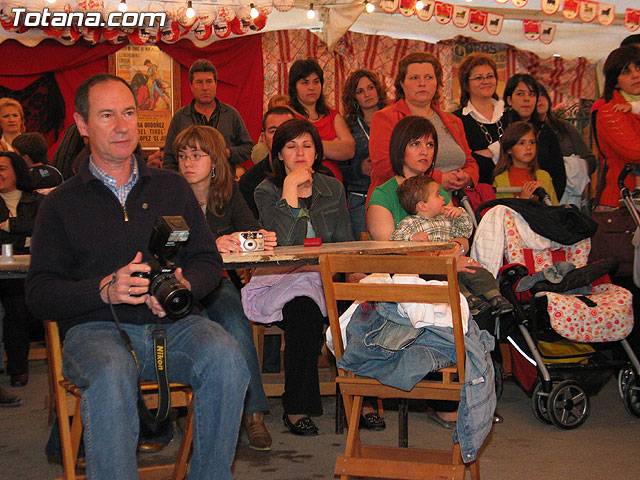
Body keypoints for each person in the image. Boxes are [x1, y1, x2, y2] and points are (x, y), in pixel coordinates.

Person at [25, 73, 249, 479]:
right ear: (82, 124)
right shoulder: (60, 204)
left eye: (128, 113)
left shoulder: (172, 188)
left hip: (174, 327)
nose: (121, 126)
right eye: (107, 115)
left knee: (226, 356)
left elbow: (207, 260)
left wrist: (186, 285)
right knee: (112, 372)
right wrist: (102, 290)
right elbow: (40, 293)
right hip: (95, 331)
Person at [366, 115, 487, 428]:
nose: (425, 151)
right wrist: (444, 261)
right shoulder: (383, 195)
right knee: (448, 302)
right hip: (406, 279)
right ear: (399, 149)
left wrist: (456, 252)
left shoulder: (436, 191)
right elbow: (390, 254)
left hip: (444, 269)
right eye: (416, 144)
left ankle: (477, 395)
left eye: (430, 144)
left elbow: (460, 235)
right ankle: (447, 400)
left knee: (485, 294)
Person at [174, 124, 276, 451]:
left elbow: (249, 230)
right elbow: (166, 247)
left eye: (196, 155)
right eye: (183, 156)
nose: (188, 163)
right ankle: (188, 411)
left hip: (217, 282)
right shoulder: (170, 193)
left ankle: (254, 413)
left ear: (214, 161)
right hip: (179, 284)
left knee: (235, 321)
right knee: (198, 327)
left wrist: (258, 238)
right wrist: (212, 242)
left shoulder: (229, 193)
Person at [250, 118, 352, 435]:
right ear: (278, 154)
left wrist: (354, 277)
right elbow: (283, 243)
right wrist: (289, 190)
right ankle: (297, 408)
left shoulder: (332, 187)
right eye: (291, 146)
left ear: (317, 152)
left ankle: (363, 401)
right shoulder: (266, 190)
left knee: (364, 307)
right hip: (282, 277)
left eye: (307, 146)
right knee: (303, 312)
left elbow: (345, 241)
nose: (300, 153)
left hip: (328, 274)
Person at [391, 174, 513, 316]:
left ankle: (495, 297)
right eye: (437, 195)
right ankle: (469, 300)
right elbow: (394, 240)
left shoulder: (446, 218)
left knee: (477, 272)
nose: (443, 198)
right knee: (447, 281)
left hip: (455, 261)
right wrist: (412, 238)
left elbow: (465, 231)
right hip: (435, 268)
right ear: (422, 205)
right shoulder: (410, 223)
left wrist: (460, 214)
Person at [368, 52, 479, 198]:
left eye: (428, 77)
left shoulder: (453, 120)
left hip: (452, 203)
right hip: (402, 202)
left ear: (437, 82)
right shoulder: (385, 118)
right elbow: (385, 168)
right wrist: (438, 179)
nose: (422, 83)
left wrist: (467, 177)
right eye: (414, 78)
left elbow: (470, 161)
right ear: (401, 83)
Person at [0, 152, 43, 388]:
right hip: (5, 270)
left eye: (2, 169)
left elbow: (42, 228)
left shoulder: (37, 201)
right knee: (15, 301)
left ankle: (18, 369)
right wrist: (24, 235)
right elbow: (30, 231)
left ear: (17, 170)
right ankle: (17, 368)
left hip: (33, 268)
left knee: (18, 302)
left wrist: (9, 225)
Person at [163, 59, 254, 170]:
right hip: (189, 179)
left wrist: (227, 153)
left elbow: (248, 148)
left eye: (209, 81)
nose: (205, 87)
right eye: (199, 82)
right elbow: (169, 158)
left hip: (224, 178)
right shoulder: (180, 117)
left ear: (216, 84)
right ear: (191, 86)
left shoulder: (231, 114)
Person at [287, 58, 355, 181]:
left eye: (316, 82)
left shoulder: (333, 115)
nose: (312, 87)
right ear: (294, 87)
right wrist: (331, 147)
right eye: (305, 82)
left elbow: (349, 150)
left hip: (333, 183)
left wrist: (310, 146)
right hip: (298, 181)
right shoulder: (286, 114)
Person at [341, 69, 389, 239]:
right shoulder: (347, 126)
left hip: (390, 193)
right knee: (365, 247)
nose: (367, 94)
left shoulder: (392, 118)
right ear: (353, 98)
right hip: (360, 196)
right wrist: (360, 168)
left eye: (370, 88)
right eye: (360, 91)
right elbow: (340, 168)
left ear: (378, 89)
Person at [502, 73, 566, 200]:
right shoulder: (499, 128)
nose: (527, 99)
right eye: (520, 94)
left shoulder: (545, 132)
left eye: (532, 94)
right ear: (509, 100)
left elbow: (559, 176)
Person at [595, 45, 640, 208]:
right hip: (622, 205)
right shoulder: (609, 112)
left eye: (638, 68)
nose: (635, 75)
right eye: (626, 72)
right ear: (615, 82)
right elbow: (635, 153)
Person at [453, 53, 505, 184]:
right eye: (478, 78)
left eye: (490, 76)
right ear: (466, 85)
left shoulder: (510, 115)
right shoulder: (457, 120)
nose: (486, 81)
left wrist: (489, 152)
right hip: (477, 189)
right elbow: (463, 160)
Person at [239, 106, 296, 218]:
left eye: (286, 130)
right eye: (273, 131)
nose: (280, 136)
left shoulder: (321, 176)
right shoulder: (249, 181)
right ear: (263, 138)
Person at [492, 121, 559, 205]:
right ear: (509, 149)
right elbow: (500, 211)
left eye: (532, 142)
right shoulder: (499, 181)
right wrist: (523, 200)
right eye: (522, 143)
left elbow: (555, 208)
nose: (528, 147)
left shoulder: (544, 177)